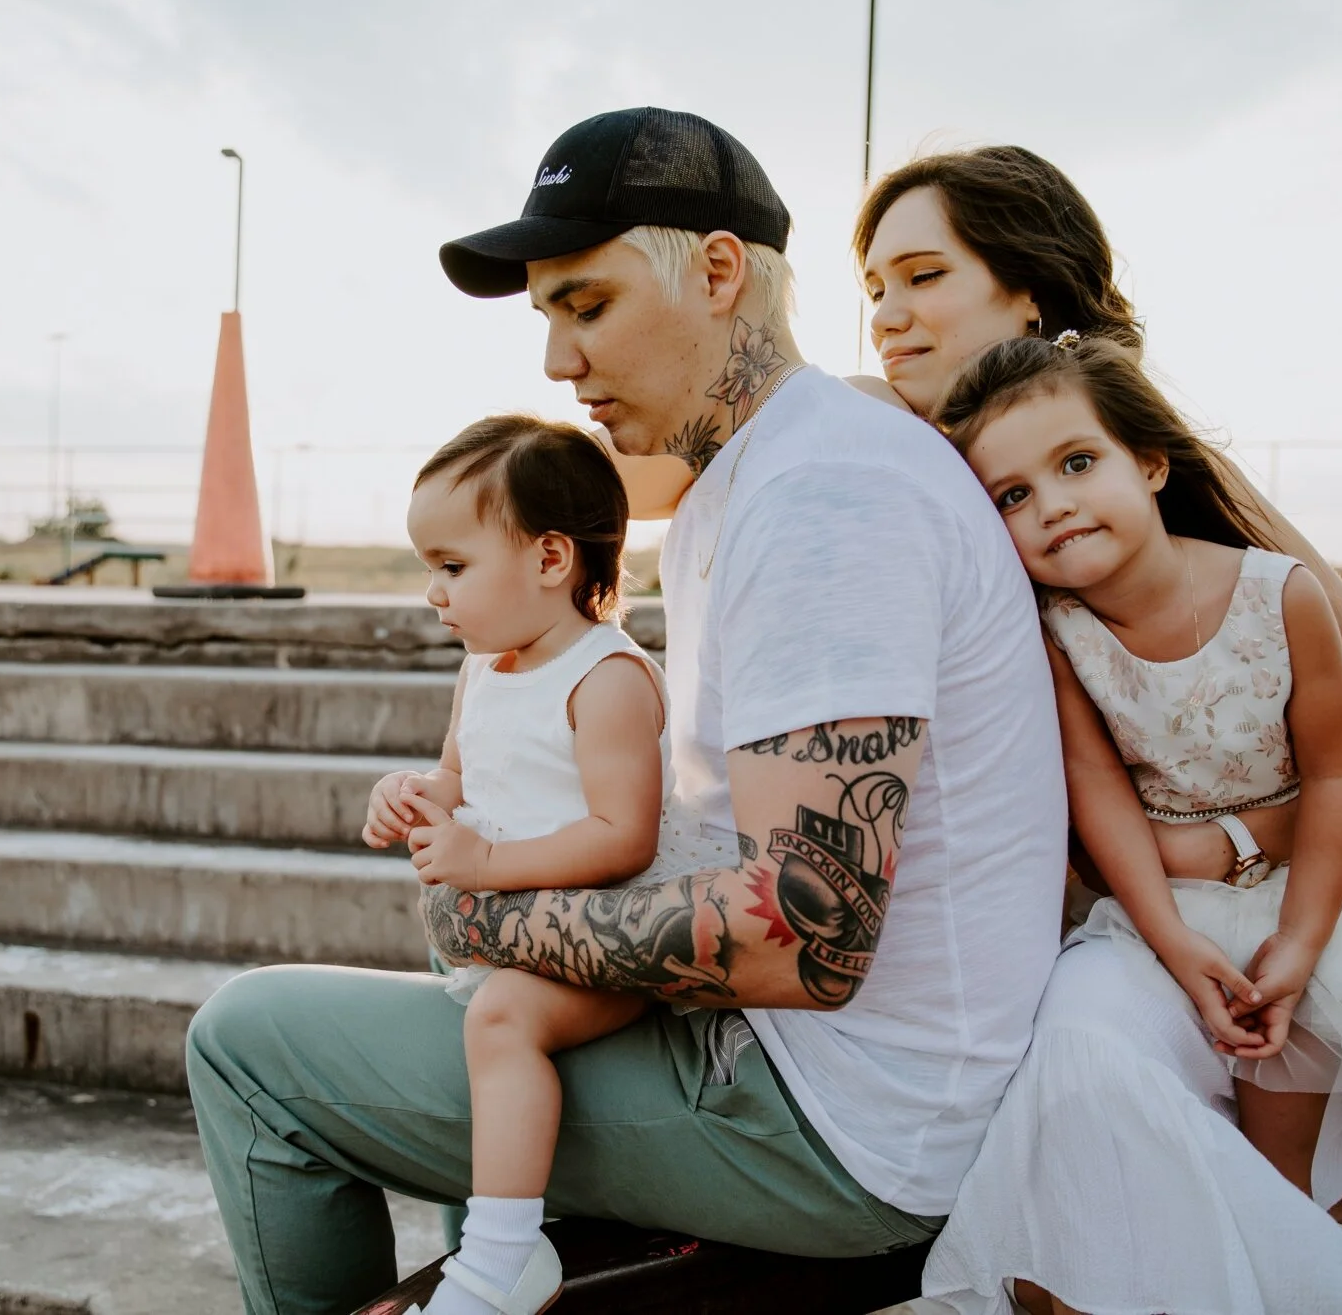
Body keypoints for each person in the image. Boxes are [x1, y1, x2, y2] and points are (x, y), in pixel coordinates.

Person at [186, 107, 1067, 1315]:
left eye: (587, 305)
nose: (558, 362)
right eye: (546, 317)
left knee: (248, 1041)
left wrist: (488, 910)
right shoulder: (755, 474)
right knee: (481, 983)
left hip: (836, 1121)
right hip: (819, 1074)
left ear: (718, 273)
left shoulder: (825, 496)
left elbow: (803, 934)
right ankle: (497, 1266)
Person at [837, 149, 1342, 1314]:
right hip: (1019, 960)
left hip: (1214, 926)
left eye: (922, 277)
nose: (885, 318)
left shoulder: (1171, 495)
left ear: (1027, 294)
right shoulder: (904, 469)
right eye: (872, 289)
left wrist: (1223, 843)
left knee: (1114, 1152)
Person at [941, 331, 1342, 1194]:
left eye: (1078, 463)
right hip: (1181, 897)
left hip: (1331, 872)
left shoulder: (1281, 593)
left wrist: (1304, 937)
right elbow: (1095, 784)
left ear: (1150, 463)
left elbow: (1340, 774)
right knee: (1281, 1118)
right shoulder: (1058, 634)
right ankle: (1297, 1219)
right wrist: (1170, 936)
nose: (1053, 505)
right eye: (1013, 495)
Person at [359, 413, 733, 1315]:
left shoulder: (606, 678)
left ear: (551, 558)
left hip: (608, 947)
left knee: (502, 1022)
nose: (433, 592)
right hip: (504, 930)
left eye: (453, 566)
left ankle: (504, 1258)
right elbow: (461, 777)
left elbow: (623, 835)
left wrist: (485, 860)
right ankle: (471, 1239)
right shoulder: (485, 669)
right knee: (478, 1062)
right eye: (429, 568)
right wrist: (412, 794)